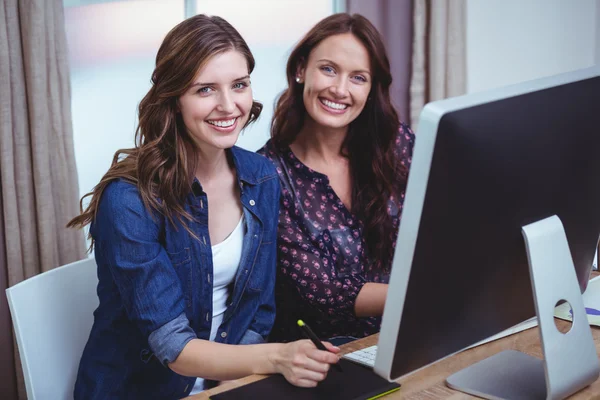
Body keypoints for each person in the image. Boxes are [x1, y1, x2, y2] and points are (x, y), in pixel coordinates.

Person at [67, 15, 339, 400]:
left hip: (225, 387)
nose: (228, 106)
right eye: (206, 89)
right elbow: (173, 348)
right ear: (174, 99)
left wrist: (235, 387)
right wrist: (278, 357)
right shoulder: (129, 200)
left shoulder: (261, 177)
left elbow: (257, 312)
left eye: (239, 85)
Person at [259, 13, 415, 343]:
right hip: (322, 357)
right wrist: (426, 293)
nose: (340, 89)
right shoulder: (267, 174)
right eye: (328, 69)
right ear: (301, 69)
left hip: (410, 335)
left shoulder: (398, 144)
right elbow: (324, 293)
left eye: (358, 78)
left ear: (372, 88)